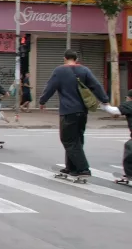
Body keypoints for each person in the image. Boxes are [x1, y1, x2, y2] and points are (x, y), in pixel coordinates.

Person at [39, 49, 109, 178]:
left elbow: (50, 87)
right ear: (76, 59)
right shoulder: (84, 70)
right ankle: (71, 167)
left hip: (68, 111)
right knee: (77, 139)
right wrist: (105, 100)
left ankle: (83, 169)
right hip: (82, 111)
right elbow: (96, 85)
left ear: (65, 58)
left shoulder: (59, 71)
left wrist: (42, 101)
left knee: (68, 139)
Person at [100, 89, 132, 181]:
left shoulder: (129, 104)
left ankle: (130, 174)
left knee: (129, 149)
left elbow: (114, 111)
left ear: (129, 98)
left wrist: (104, 105)